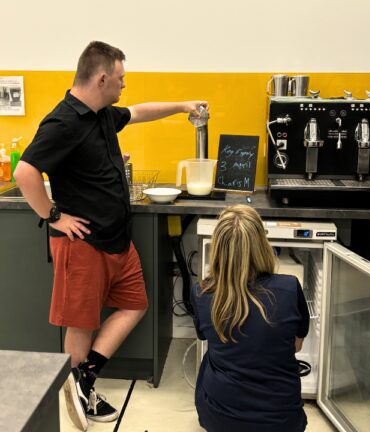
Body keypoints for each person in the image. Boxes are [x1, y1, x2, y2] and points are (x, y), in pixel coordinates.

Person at [13, 41, 208, 430]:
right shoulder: (63, 121)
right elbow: (25, 173)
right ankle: (74, 394)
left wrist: (183, 105)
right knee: (81, 324)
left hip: (117, 239)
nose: (123, 87)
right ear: (101, 78)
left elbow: (138, 112)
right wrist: (54, 216)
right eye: (120, 80)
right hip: (82, 242)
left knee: (135, 305)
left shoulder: (99, 113)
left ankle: (84, 378)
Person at [192, 205, 309, 432]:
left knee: (210, 358)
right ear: (262, 245)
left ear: (218, 248)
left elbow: (206, 337)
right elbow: (296, 346)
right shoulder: (289, 288)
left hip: (218, 420)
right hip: (282, 423)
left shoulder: (202, 293)